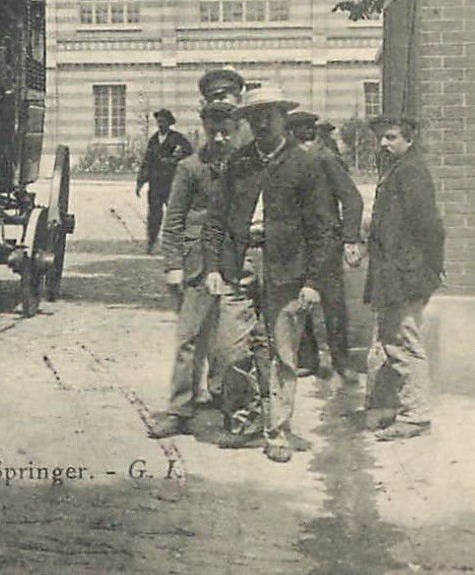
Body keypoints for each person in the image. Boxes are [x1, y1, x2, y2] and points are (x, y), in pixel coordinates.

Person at [222, 84, 335, 463]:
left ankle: (279, 432)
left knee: (283, 352)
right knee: (231, 349)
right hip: (241, 263)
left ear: (283, 118)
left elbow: (323, 229)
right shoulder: (239, 164)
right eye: (255, 117)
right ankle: (247, 420)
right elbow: (216, 222)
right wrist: (212, 267)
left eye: (269, 115)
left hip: (286, 267)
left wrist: (315, 282)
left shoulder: (306, 165)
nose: (262, 123)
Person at [145, 100, 240, 438]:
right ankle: (179, 409)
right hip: (195, 264)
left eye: (226, 132)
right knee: (189, 338)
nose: (219, 139)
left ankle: (227, 399)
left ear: (236, 130)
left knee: (229, 340)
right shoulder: (190, 168)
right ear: (203, 128)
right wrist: (172, 264)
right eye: (213, 131)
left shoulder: (245, 168)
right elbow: (173, 221)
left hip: (234, 262)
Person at [364, 114, 444, 441]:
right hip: (392, 272)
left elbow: (429, 227)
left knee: (405, 342)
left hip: (404, 273)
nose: (384, 143)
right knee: (392, 340)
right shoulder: (397, 170)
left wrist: (423, 270)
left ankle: (416, 415)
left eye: (392, 137)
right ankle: (399, 407)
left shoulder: (411, 171)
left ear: (409, 140)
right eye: (381, 137)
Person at [289, 110, 366, 380]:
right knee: (301, 298)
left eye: (306, 135)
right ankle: (308, 358)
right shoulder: (288, 160)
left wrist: (350, 238)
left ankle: (342, 361)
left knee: (332, 301)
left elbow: (352, 199)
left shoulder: (326, 159)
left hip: (327, 239)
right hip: (298, 240)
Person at [136, 108, 193, 253]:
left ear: (169, 123)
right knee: (154, 214)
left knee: (175, 213)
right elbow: (147, 161)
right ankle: (151, 242)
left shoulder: (177, 138)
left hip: (172, 182)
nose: (160, 124)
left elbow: (190, 154)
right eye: (159, 122)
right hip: (155, 184)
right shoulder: (154, 140)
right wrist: (140, 182)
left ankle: (179, 244)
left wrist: (175, 159)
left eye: (163, 121)